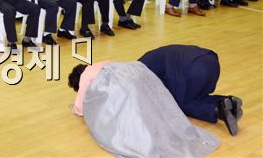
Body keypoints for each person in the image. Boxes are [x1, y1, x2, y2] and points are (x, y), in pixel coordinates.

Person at [68, 60, 220, 157]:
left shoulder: (86, 75)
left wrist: (77, 108)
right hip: (137, 72)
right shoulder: (100, 64)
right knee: (150, 108)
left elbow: (81, 105)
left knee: (127, 117)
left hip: (120, 81)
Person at [139, 44, 243, 136]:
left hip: (192, 70)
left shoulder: (140, 70)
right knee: (195, 96)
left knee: (179, 104)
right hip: (210, 61)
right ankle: (228, 102)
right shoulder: (149, 58)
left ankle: (217, 110)